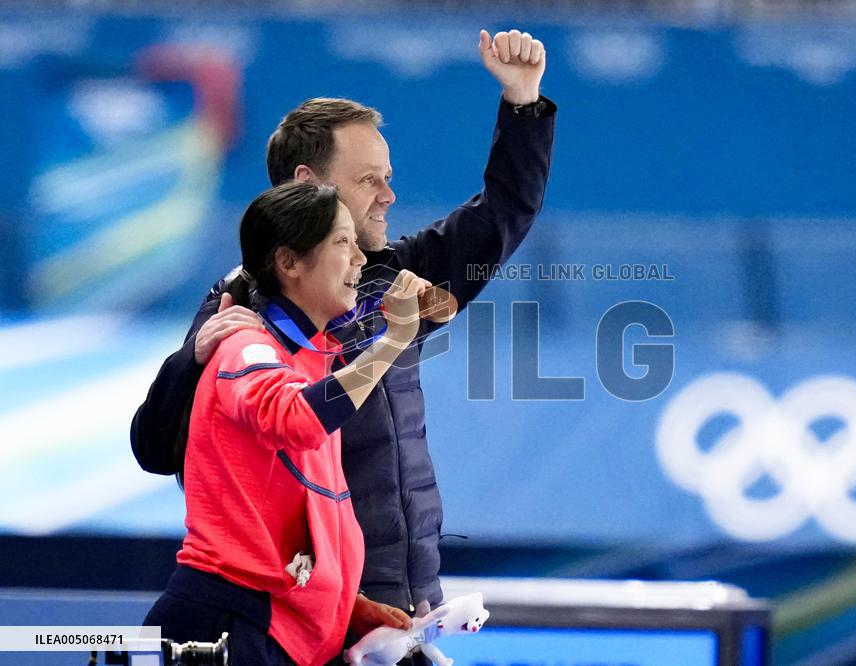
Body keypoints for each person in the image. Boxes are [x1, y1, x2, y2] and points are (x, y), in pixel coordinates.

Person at [132, 27, 555, 647]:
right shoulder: (242, 306)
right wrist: (188, 362)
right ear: (308, 185)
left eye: (388, 176)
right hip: (308, 611)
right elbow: (155, 447)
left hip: (405, 605)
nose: (389, 195)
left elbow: (502, 213)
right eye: (368, 180)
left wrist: (523, 102)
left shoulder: (397, 278)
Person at [145, 181, 422, 665]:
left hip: (273, 625)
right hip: (223, 627)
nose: (360, 258)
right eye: (342, 242)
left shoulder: (311, 362)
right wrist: (393, 341)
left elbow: (282, 518)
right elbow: (294, 420)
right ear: (289, 262)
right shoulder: (247, 347)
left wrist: (341, 605)